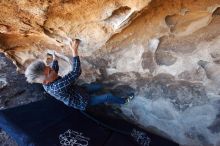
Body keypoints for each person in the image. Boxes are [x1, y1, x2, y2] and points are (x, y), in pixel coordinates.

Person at [25, 39, 134, 111]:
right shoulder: (56, 88)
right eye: (50, 71)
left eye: (49, 67)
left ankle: (105, 101)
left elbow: (54, 70)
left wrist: (54, 58)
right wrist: (74, 51)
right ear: (45, 81)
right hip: (83, 101)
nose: (52, 69)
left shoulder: (47, 80)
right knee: (107, 96)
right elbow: (76, 72)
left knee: (99, 86)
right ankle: (124, 102)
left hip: (78, 91)